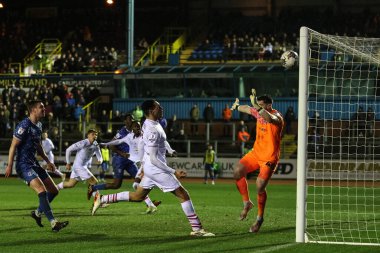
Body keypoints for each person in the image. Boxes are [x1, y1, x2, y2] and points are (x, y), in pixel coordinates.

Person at [91, 99, 214, 237]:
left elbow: (160, 142)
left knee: (138, 196)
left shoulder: (151, 124)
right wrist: (174, 171)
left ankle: (102, 199)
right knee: (183, 195)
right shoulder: (152, 130)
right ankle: (197, 230)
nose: (162, 108)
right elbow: (155, 158)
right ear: (151, 110)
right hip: (156, 169)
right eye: (158, 107)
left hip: (150, 168)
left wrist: (169, 150)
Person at [4, 100, 69, 232]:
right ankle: (53, 223)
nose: (44, 109)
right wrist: (9, 165)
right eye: (41, 107)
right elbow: (13, 145)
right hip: (23, 165)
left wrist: (48, 161)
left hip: (34, 163)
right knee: (42, 191)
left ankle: (37, 213)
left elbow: (38, 146)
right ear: (33, 110)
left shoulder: (38, 125)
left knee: (54, 190)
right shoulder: (24, 125)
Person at [231, 89, 284, 233]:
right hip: (256, 153)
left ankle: (260, 218)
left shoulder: (276, 116)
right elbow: (248, 109)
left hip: (269, 157)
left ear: (268, 105)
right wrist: (236, 107)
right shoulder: (258, 111)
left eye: (260, 105)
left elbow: (269, 119)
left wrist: (257, 106)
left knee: (260, 186)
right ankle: (247, 203)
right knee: (237, 171)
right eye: (257, 104)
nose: (257, 107)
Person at [100, 120, 161, 213]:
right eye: (135, 126)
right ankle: (151, 204)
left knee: (138, 187)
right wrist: (106, 144)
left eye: (139, 126)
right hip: (143, 165)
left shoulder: (145, 136)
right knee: (136, 185)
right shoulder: (130, 137)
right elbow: (118, 141)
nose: (137, 128)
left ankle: (103, 199)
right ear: (132, 129)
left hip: (148, 164)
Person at [87, 114, 139, 199]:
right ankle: (93, 188)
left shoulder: (135, 131)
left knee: (139, 180)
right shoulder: (121, 133)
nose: (131, 121)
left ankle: (150, 205)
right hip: (119, 159)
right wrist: (122, 154)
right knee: (116, 185)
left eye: (132, 119)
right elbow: (111, 146)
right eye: (129, 119)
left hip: (130, 159)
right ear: (125, 121)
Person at [56, 129, 102, 194]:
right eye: (93, 134)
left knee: (70, 184)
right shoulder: (83, 143)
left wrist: (100, 161)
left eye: (96, 135)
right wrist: (68, 163)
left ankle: (55, 187)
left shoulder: (96, 145)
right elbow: (68, 150)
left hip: (82, 167)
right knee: (94, 181)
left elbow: (99, 156)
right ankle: (98, 201)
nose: (95, 136)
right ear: (88, 135)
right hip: (79, 167)